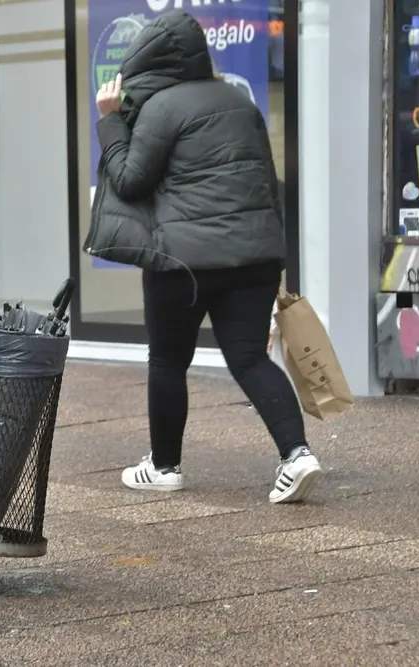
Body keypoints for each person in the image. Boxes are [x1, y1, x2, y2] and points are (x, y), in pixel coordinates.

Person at [93, 11, 322, 504]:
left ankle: (164, 466)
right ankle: (297, 454)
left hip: (186, 262)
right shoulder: (240, 101)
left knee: (169, 359)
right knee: (248, 358)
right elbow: (265, 182)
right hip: (254, 257)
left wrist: (110, 122)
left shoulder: (161, 108)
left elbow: (131, 180)